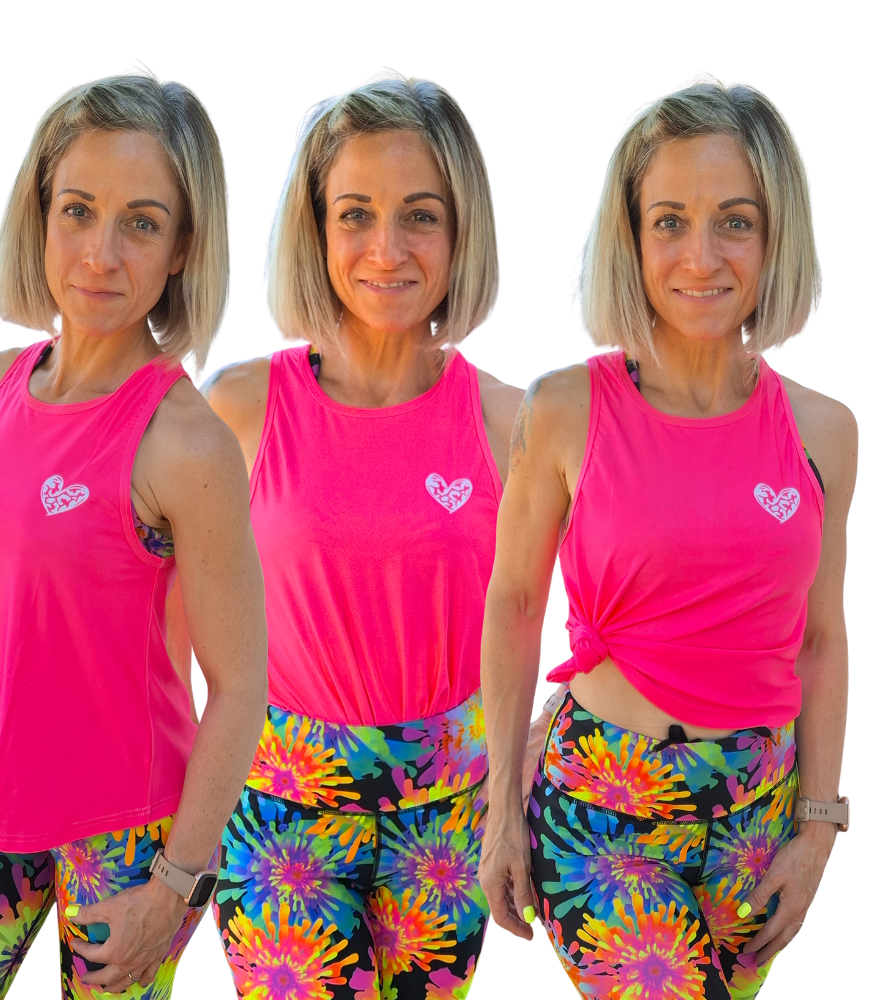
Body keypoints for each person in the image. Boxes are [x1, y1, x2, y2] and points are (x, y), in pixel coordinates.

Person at [0, 75, 267, 999]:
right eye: (77, 211)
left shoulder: (187, 445)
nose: (99, 252)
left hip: (129, 837)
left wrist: (175, 886)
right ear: (41, 216)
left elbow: (243, 685)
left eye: (140, 222)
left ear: (182, 247)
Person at [479, 82, 855, 999]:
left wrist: (815, 832)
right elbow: (515, 605)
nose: (701, 256)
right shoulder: (565, 408)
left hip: (755, 822)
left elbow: (822, 637)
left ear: (776, 238)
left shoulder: (825, 430)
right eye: (669, 222)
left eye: (735, 222)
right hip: (605, 807)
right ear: (632, 236)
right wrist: (496, 808)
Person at [198, 78, 522, 999]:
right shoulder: (240, 407)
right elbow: (137, 605)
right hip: (278, 814)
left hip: (450, 819)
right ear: (317, 227)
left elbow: (606, 610)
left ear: (463, 233)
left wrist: (530, 751)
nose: (386, 249)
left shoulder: (512, 421)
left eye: (420, 214)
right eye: (356, 214)